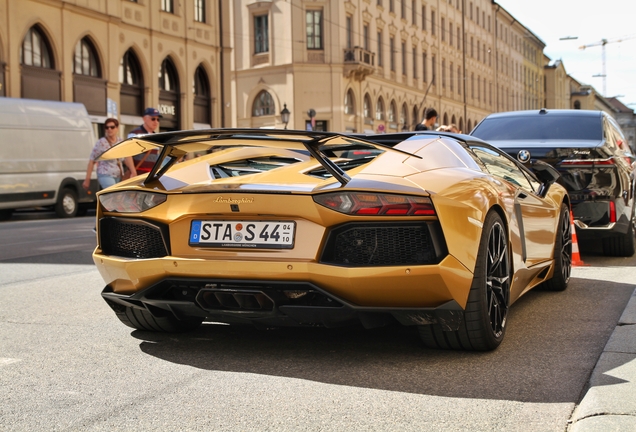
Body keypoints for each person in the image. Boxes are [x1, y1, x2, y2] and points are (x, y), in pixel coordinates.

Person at [82, 118, 136, 191]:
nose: (109, 129)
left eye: (112, 127)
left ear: (117, 128)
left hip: (119, 175)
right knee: (113, 193)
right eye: (107, 127)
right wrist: (87, 179)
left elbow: (127, 157)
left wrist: (133, 172)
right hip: (105, 174)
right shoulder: (101, 143)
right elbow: (92, 161)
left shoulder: (121, 142)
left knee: (116, 198)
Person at [127, 107, 162, 173]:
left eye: (158, 119)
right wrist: (133, 171)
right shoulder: (135, 134)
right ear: (144, 119)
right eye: (153, 119)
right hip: (138, 173)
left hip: (151, 174)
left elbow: (156, 156)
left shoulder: (157, 136)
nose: (156, 122)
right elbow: (128, 154)